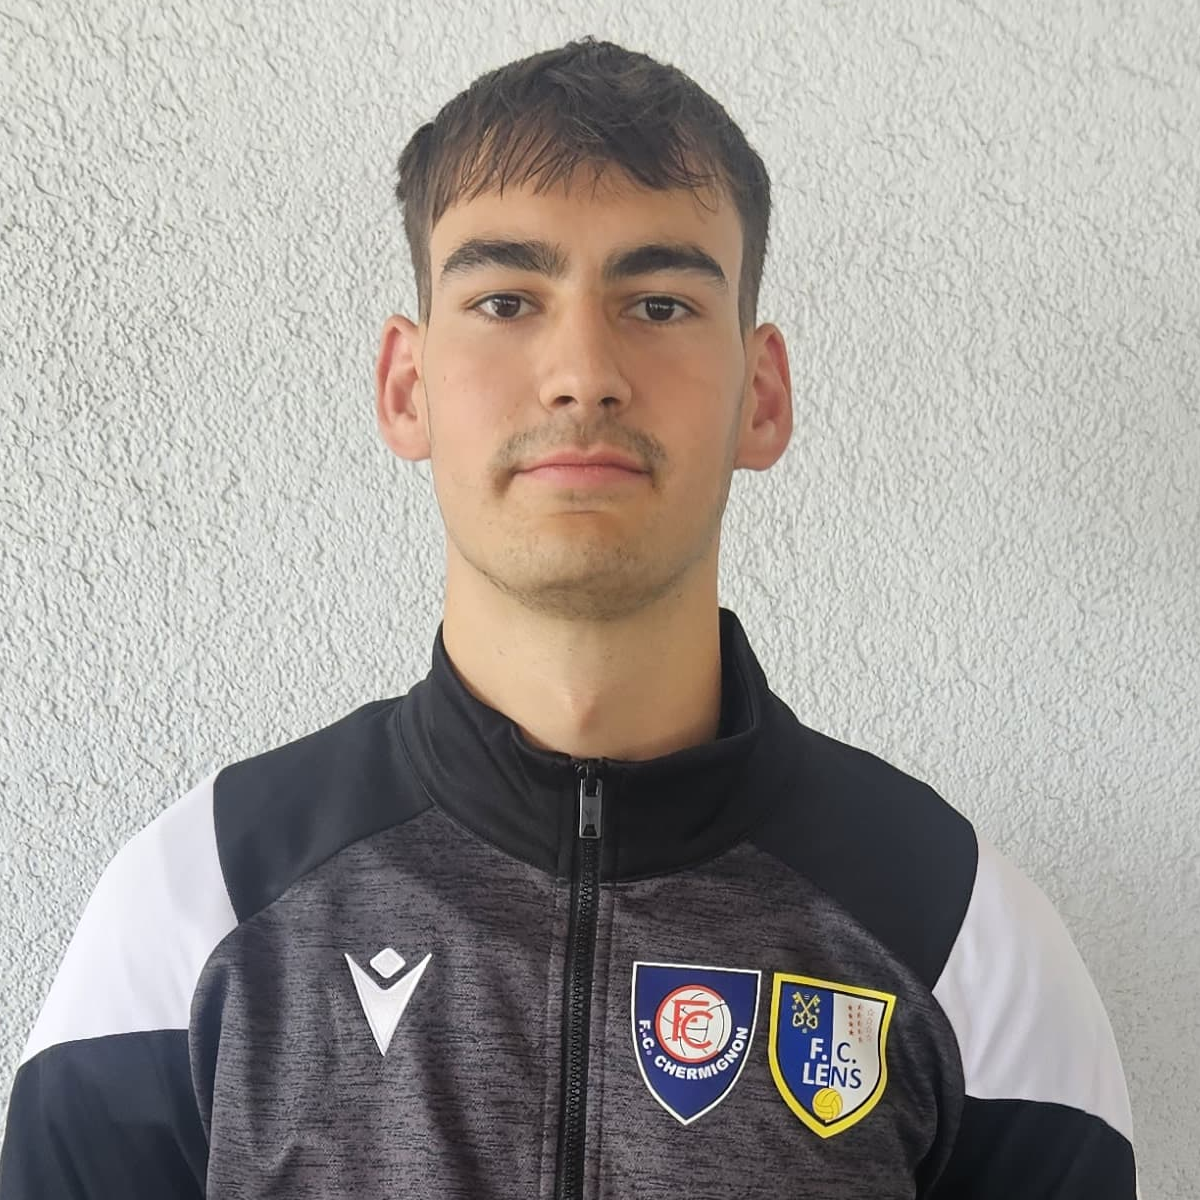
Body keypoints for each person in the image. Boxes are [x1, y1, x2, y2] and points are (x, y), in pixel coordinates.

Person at [0, 35, 1137, 1199]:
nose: (584, 370)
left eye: (659, 302)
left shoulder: (958, 933)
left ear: (762, 395)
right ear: (406, 386)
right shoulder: (201, 901)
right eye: (505, 300)